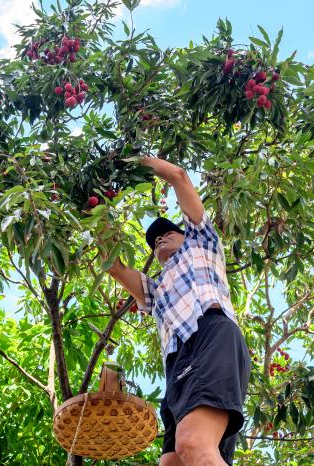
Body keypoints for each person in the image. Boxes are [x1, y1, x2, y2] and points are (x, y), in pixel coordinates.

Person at [103, 156, 251, 466]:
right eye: (154, 240)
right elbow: (114, 268)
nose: (159, 237)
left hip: (210, 333)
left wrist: (131, 163)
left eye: (168, 231)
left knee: (193, 444)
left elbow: (178, 176)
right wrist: (94, 207)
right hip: (177, 363)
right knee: (172, 462)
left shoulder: (203, 243)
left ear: (186, 232)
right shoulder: (155, 291)